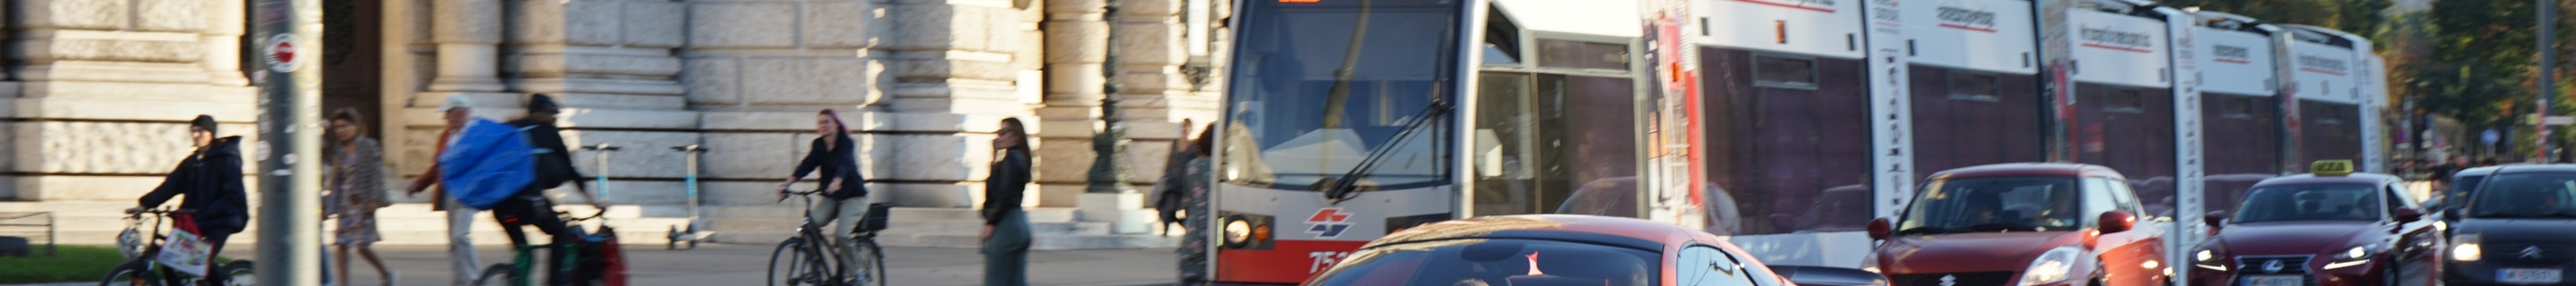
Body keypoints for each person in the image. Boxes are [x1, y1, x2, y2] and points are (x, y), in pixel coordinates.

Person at [497, 94, 609, 286]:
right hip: (530, 203)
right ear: (540, 113)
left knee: (524, 249)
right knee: (560, 233)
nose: (554, 119)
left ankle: (517, 277)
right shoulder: (549, 132)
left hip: (501, 207)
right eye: (551, 115)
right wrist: (595, 201)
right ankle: (555, 282)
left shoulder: (510, 127)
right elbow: (572, 171)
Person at [127, 114, 249, 284]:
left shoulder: (227, 159)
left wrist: (207, 210)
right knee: (168, 258)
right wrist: (143, 205)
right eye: (193, 131)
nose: (196, 135)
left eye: (200, 131)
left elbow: (233, 194)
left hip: (223, 219)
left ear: (211, 134)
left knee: (199, 260)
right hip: (199, 219)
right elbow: (169, 186)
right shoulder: (191, 162)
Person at [775, 109, 871, 280]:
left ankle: (857, 274)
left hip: (854, 196)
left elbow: (845, 163)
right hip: (832, 196)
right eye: (820, 123)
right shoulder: (818, 145)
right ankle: (816, 266)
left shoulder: (846, 142)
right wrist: (787, 183)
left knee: (842, 234)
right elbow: (806, 165)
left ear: (836, 124)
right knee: (810, 228)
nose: (823, 126)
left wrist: (837, 181)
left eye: (827, 122)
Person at [405, 94, 480, 286]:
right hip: (450, 192)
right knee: (453, 241)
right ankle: (460, 281)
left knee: (460, 236)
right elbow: (438, 166)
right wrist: (418, 184)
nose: (445, 118)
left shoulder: (477, 134)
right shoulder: (446, 135)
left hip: (469, 192)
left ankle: (474, 279)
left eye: (448, 113)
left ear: (461, 113)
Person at [326, 109, 396, 285]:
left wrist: (374, 198)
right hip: (345, 204)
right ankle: (343, 282)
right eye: (337, 127)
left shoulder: (368, 146)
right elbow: (336, 180)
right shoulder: (340, 152)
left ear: (356, 126)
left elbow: (376, 174)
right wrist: (329, 206)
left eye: (344, 126)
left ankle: (387, 274)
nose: (340, 130)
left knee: (362, 246)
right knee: (341, 245)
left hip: (363, 203)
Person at [983, 118, 1035, 286]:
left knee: (995, 280)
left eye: (1004, 132)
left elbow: (1003, 195)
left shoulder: (1011, 160)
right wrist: (995, 158)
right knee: (1016, 281)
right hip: (1020, 224)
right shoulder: (1019, 158)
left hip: (1006, 226)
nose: (1000, 137)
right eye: (999, 133)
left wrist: (991, 223)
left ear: (1016, 136)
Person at [1176, 125, 1216, 284]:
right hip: (1219, 232)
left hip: (1194, 233)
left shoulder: (1192, 167)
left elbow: (1187, 200)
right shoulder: (1223, 167)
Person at [1151, 119, 1197, 234]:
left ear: (1191, 129)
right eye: (1183, 126)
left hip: (1185, 182)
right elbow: (1169, 160)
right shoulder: (1175, 143)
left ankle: (1187, 228)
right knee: (1168, 207)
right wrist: (1165, 176)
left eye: (1187, 127)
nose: (1185, 129)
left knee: (1185, 208)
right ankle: (1166, 229)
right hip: (1172, 180)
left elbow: (1194, 163)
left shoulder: (1193, 145)